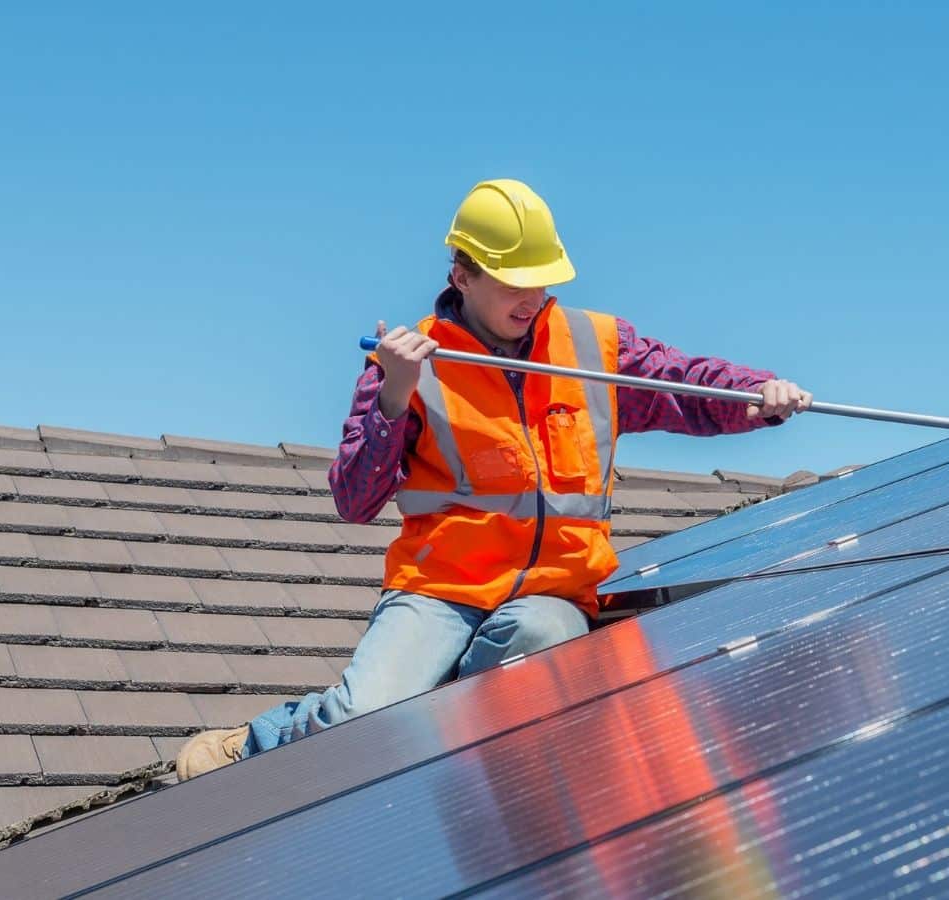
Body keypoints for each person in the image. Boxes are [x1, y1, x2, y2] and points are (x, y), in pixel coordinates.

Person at [175, 179, 811, 779]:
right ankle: (256, 743)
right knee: (365, 721)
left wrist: (757, 394)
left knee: (550, 649)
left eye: (542, 281)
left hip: (554, 593)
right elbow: (354, 498)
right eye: (512, 283)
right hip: (440, 587)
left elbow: (685, 386)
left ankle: (443, 698)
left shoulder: (595, 346)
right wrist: (394, 397)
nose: (531, 298)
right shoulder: (408, 359)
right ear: (462, 274)